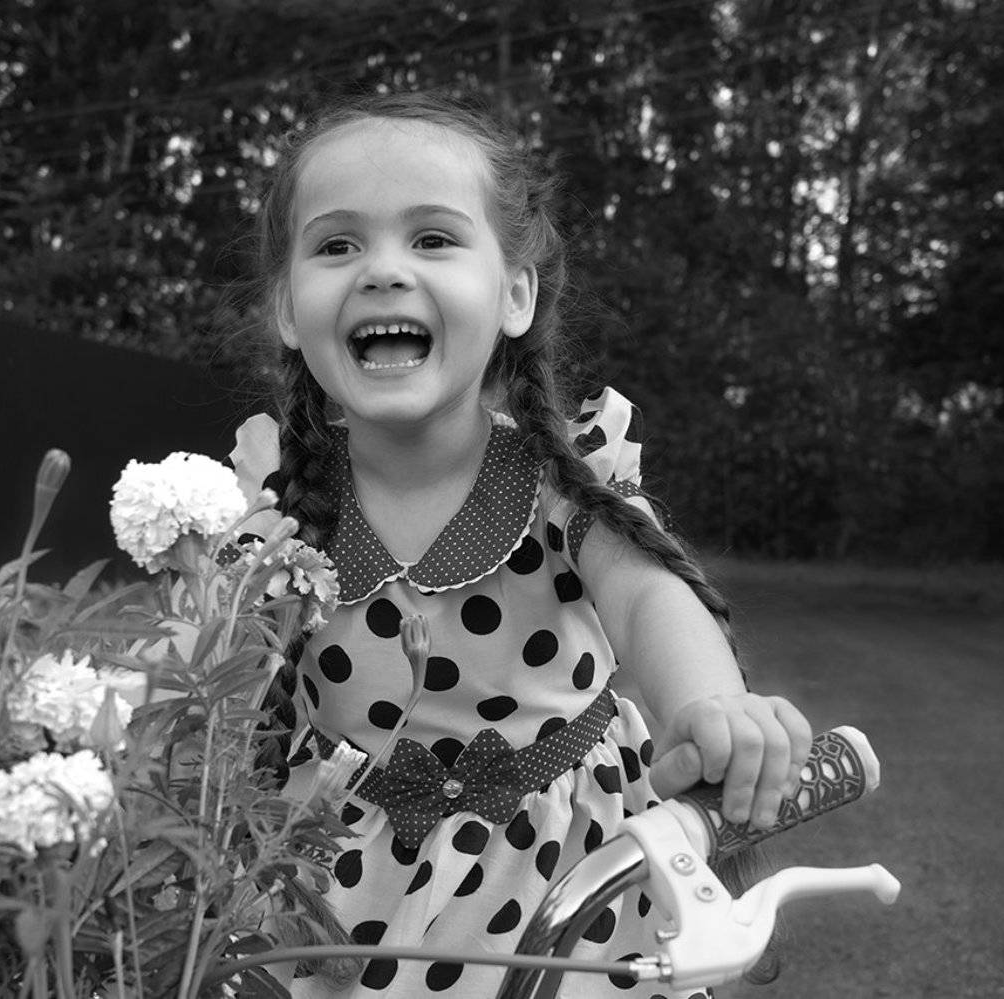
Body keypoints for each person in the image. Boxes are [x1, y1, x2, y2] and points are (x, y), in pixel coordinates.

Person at [227, 90, 814, 998]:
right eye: (337, 245)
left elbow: (648, 596)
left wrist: (708, 703)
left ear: (515, 295)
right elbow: (210, 663)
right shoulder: (277, 497)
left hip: (563, 883)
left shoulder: (562, 477)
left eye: (433, 238)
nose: (382, 271)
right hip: (331, 884)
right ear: (286, 310)